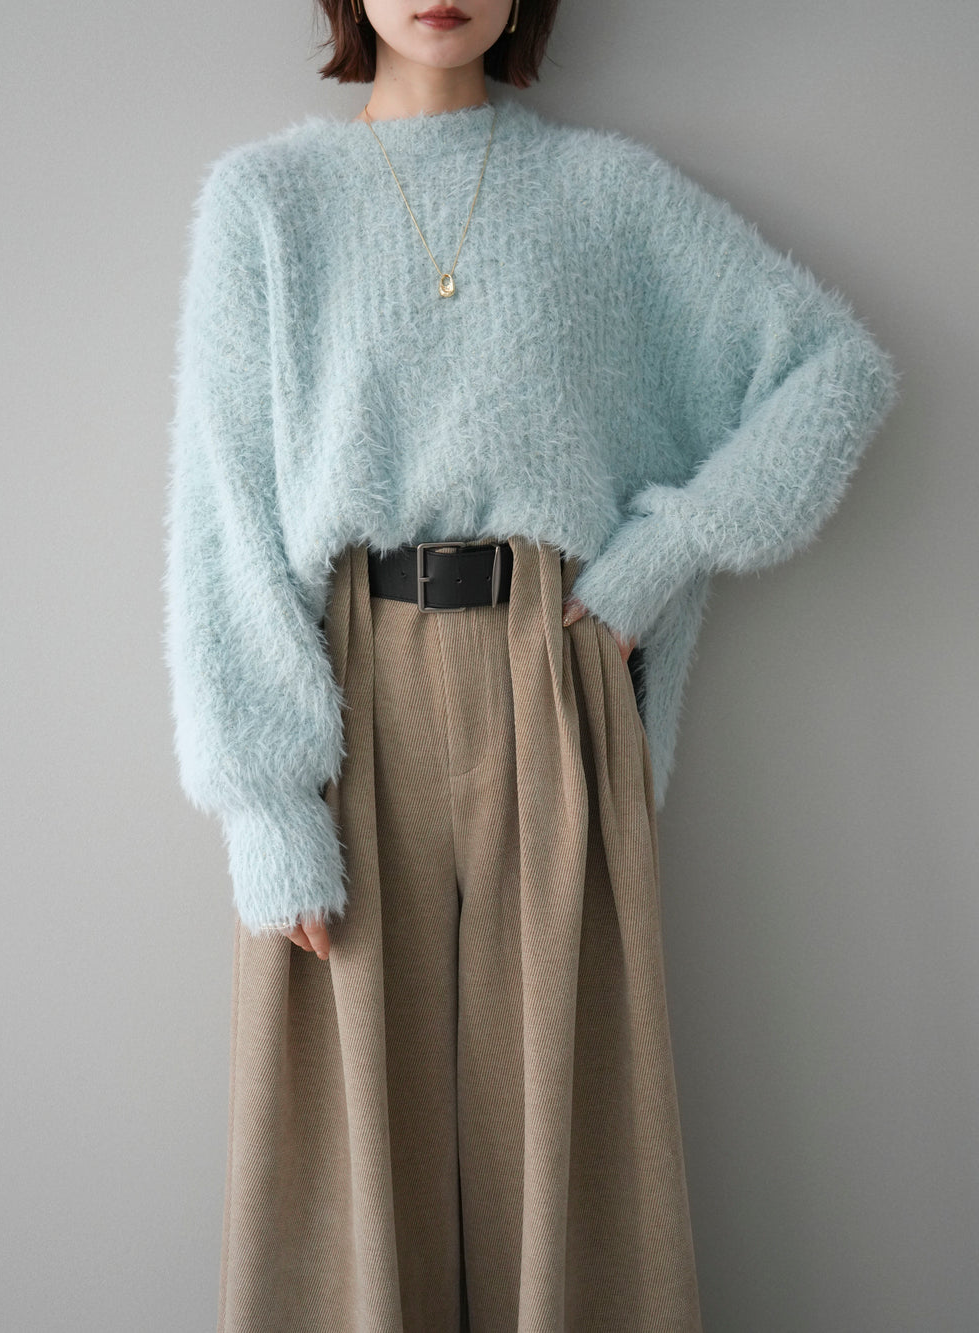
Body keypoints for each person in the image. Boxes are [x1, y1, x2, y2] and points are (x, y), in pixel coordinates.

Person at [162, 1, 898, 1327]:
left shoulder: (605, 197)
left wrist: (656, 558)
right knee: (343, 1168)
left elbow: (834, 374)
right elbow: (227, 523)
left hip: (551, 676)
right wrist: (265, 804)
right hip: (347, 697)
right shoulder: (267, 205)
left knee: (574, 1143)